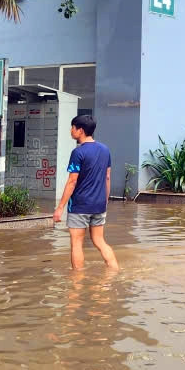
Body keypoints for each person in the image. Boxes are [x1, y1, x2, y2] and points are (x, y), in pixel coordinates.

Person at [53, 114, 119, 270]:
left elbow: (72, 181)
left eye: (73, 127)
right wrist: (105, 199)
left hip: (80, 205)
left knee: (76, 243)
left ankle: (77, 283)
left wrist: (60, 207)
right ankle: (114, 270)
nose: (71, 130)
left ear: (80, 130)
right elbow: (107, 177)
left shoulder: (78, 152)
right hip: (99, 205)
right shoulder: (105, 150)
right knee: (99, 240)